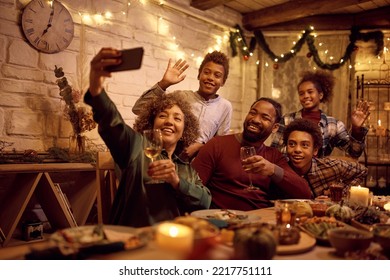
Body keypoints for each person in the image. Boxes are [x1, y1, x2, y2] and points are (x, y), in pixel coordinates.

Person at [84, 47, 211, 227]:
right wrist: (96, 84)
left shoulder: (186, 167)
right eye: (162, 115)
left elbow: (205, 202)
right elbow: (112, 122)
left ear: (185, 129)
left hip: (172, 243)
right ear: (151, 122)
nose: (169, 121)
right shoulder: (136, 146)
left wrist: (176, 182)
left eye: (177, 118)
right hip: (134, 241)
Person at [192, 97, 312, 210]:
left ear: (275, 127)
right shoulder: (217, 145)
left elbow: (304, 192)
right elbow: (193, 189)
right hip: (222, 220)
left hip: (260, 222)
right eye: (253, 113)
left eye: (265, 117)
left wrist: (272, 169)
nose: (255, 119)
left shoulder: (274, 156)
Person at [132, 51, 233, 160]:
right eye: (206, 72)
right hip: (166, 157)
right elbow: (138, 109)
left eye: (217, 75)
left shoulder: (225, 107)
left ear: (223, 81)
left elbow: (220, 144)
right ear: (199, 75)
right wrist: (164, 84)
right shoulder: (181, 96)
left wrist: (200, 146)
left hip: (197, 165)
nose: (210, 78)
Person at [271, 70, 370, 158]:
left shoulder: (333, 125)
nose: (305, 96)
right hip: (290, 174)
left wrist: (356, 130)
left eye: (310, 92)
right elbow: (275, 152)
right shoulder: (287, 120)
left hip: (319, 176)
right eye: (301, 93)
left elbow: (354, 152)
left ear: (321, 95)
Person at [283, 119, 368, 197]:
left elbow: (362, 171)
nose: (297, 150)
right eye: (292, 144)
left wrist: (341, 193)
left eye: (305, 145)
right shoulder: (280, 170)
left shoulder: (330, 167)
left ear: (315, 150)